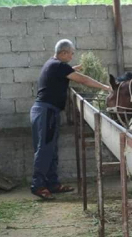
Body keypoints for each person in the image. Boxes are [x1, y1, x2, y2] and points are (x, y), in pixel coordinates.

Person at [30, 39, 112, 200]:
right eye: (71, 53)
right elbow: (83, 80)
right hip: (46, 112)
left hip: (45, 111)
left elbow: (67, 72)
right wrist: (105, 87)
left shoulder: (52, 64)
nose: (73, 56)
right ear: (63, 53)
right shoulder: (58, 66)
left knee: (51, 149)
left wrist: (77, 68)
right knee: (45, 150)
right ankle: (38, 185)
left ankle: (52, 183)